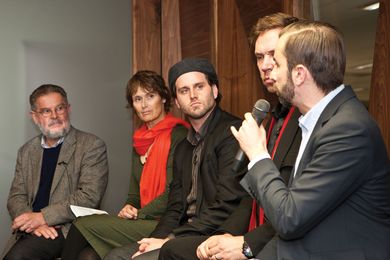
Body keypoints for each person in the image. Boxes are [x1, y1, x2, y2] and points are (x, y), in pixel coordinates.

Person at [232, 20, 390, 260]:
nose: (270, 72)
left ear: (298, 74)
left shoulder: (347, 129)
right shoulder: (317, 120)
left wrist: (257, 153)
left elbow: (289, 218)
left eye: (277, 64)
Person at [159, 13, 302, 260]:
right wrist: (227, 235)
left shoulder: (234, 130)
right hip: (250, 232)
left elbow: (294, 211)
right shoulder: (273, 119)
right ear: (176, 101)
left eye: (274, 55)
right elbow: (252, 197)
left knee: (170, 250)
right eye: (259, 57)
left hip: (286, 242)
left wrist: (245, 244)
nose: (266, 64)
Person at [104, 58, 249, 260]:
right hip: (184, 233)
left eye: (199, 86)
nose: (192, 95)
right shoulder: (184, 147)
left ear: (214, 91)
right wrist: (153, 240)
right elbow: (175, 207)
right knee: (116, 256)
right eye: (183, 91)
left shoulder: (233, 132)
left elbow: (227, 204)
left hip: (216, 236)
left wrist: (170, 238)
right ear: (178, 101)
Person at [61, 70, 189, 260]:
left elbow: (173, 194)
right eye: (138, 99)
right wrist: (129, 207)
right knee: (88, 256)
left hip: (168, 222)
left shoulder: (178, 135)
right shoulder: (139, 141)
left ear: (163, 98)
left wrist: (139, 213)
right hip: (143, 219)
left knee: (82, 224)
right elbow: (133, 195)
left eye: (150, 96)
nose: (144, 105)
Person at [2, 84, 109, 260]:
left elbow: (89, 196)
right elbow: (16, 196)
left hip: (70, 229)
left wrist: (43, 217)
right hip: (35, 230)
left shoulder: (91, 145)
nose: (54, 116)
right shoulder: (26, 151)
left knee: (18, 257)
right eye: (45, 111)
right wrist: (34, 224)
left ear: (68, 109)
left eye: (59, 108)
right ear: (35, 117)